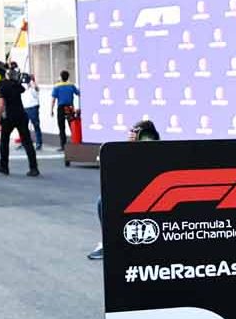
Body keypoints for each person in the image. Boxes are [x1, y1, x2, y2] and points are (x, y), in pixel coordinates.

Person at [89, 118, 160, 260]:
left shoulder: (153, 150)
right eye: (132, 131)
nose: (132, 134)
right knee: (102, 201)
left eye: (136, 132)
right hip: (130, 191)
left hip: (150, 194)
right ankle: (109, 242)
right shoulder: (127, 150)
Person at [0, 64, 40, 176]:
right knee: (27, 142)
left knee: (4, 141)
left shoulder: (1, 87)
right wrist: (16, 80)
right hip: (21, 115)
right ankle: (34, 168)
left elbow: (1, 104)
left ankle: (4, 166)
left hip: (9, 116)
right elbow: (22, 88)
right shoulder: (14, 84)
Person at [52, 71, 80, 148]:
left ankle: (63, 145)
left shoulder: (57, 86)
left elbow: (53, 100)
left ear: (61, 77)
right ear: (68, 77)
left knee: (61, 127)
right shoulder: (71, 85)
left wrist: (51, 110)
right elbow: (78, 93)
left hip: (61, 108)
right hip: (70, 107)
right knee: (72, 125)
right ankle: (75, 142)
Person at [22, 73, 44, 147]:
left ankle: (38, 142)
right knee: (24, 126)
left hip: (33, 107)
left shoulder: (34, 86)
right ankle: (25, 142)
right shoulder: (23, 86)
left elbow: (36, 94)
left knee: (36, 125)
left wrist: (32, 86)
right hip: (25, 107)